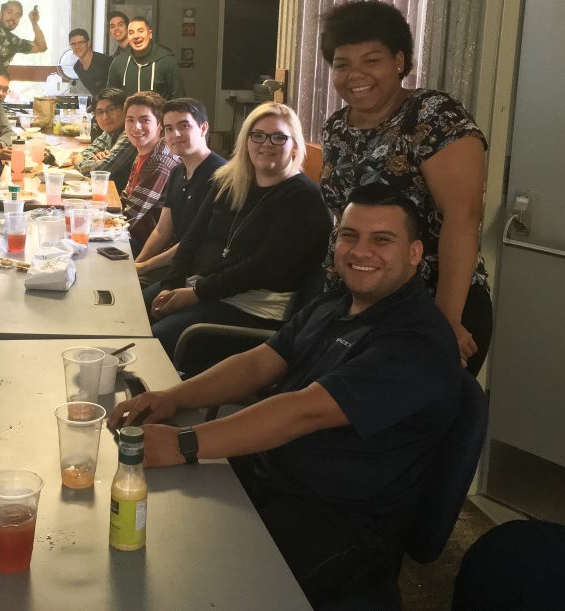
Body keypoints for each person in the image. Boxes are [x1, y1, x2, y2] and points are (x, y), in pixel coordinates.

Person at [110, 185, 462, 607]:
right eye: (349, 235)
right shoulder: (337, 304)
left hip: (338, 518)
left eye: (382, 239)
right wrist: (173, 397)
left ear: (415, 253)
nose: (360, 251)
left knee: (192, 583)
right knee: (156, 520)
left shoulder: (415, 341)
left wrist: (185, 442)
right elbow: (260, 362)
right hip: (275, 472)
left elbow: (303, 412)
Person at [318, 0, 492, 374]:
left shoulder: (433, 114)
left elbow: (463, 218)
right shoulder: (335, 128)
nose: (355, 74)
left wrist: (444, 320)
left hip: (432, 299)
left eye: (371, 60)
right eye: (342, 64)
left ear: (399, 61)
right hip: (356, 298)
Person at [145, 102, 332, 367]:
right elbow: (191, 239)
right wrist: (170, 284)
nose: (266, 144)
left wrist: (196, 293)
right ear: (246, 140)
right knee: (133, 313)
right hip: (205, 287)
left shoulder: (303, 198)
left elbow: (262, 268)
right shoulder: (227, 180)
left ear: (294, 145)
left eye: (279, 137)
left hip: (253, 310)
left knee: (153, 343)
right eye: (258, 135)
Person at [134, 98, 225, 282]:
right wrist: (137, 265)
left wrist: (145, 267)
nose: (175, 134)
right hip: (175, 263)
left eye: (184, 126)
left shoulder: (220, 176)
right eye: (168, 128)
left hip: (198, 273)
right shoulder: (177, 171)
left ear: (203, 128)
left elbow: (194, 241)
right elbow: (162, 230)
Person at [120, 91, 181, 254]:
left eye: (144, 120)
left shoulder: (159, 160)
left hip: (148, 245)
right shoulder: (145, 150)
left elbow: (129, 217)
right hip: (135, 232)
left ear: (160, 125)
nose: (136, 127)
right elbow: (127, 196)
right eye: (130, 120)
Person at [69, 87, 136, 191]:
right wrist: (94, 158)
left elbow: (102, 168)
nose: (105, 117)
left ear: (125, 109)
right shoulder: (109, 132)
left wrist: (78, 163)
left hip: (123, 199)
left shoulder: (130, 134)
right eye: (99, 112)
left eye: (111, 109)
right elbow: (87, 152)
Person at [107, 16, 185, 100]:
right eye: (131, 32)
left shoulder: (167, 61)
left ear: (150, 34)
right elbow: (110, 99)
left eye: (140, 31)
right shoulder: (118, 62)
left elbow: (178, 98)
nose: (136, 36)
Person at [68, 28, 113, 96]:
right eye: (73, 44)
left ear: (88, 43)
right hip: (100, 103)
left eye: (80, 42)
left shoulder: (106, 61)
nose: (77, 46)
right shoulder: (77, 67)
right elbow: (95, 93)